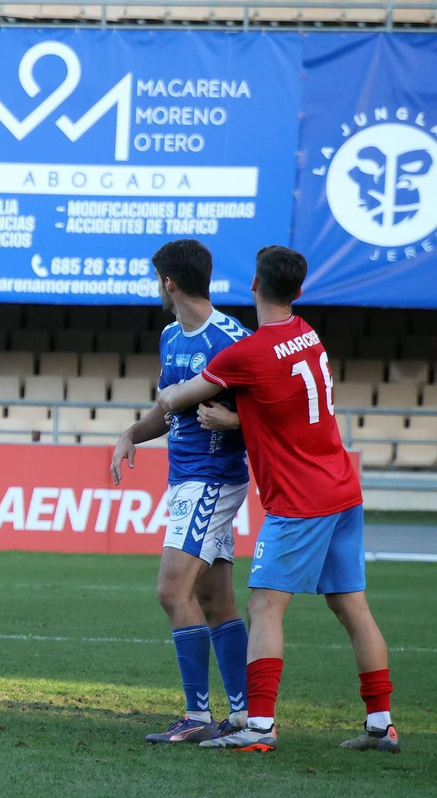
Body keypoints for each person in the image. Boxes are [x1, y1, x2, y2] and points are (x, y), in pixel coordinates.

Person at [152, 246, 397, 754]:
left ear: (255, 287)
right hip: (343, 488)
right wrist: (242, 419)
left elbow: (175, 399)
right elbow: (288, 407)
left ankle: (257, 726)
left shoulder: (248, 352)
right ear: (298, 292)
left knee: (264, 606)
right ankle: (381, 724)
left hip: (300, 498)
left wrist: (200, 408)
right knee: (353, 607)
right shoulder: (307, 334)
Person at [109, 240, 252, 745]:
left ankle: (196, 716)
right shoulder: (171, 336)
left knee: (172, 592)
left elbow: (268, 409)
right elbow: (166, 410)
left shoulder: (232, 338)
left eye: (157, 279)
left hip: (212, 477)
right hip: (189, 477)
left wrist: (233, 419)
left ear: (168, 281)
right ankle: (241, 714)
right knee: (215, 599)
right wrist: (132, 433)